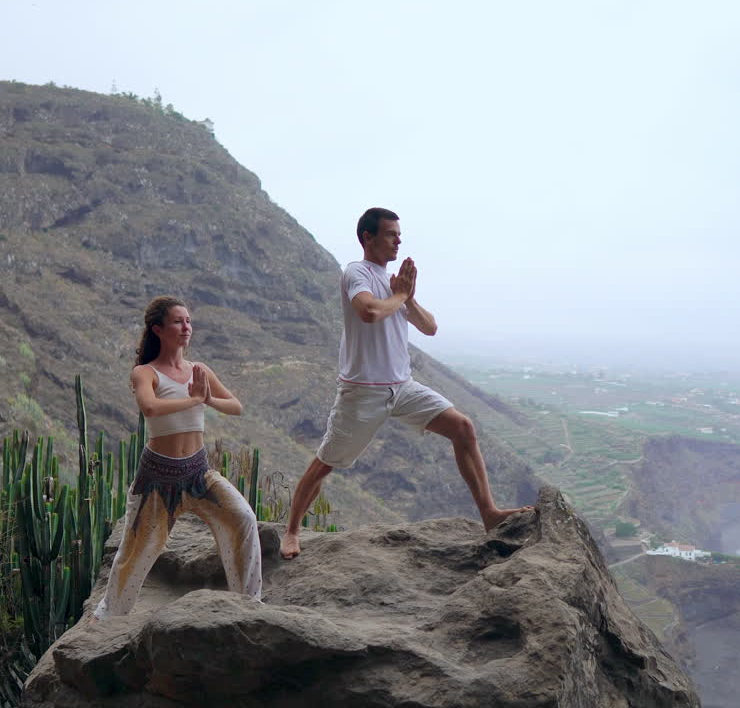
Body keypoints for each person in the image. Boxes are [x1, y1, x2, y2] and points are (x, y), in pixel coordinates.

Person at [280, 207, 532, 559]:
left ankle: (489, 513)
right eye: (390, 234)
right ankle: (291, 531)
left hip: (403, 387)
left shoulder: (395, 285)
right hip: (362, 392)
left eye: (400, 235)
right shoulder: (358, 272)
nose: (398, 240)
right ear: (368, 238)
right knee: (325, 463)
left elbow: (429, 327)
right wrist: (399, 296)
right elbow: (368, 312)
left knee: (463, 428)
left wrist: (408, 298)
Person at [92, 296, 261, 619]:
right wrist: (193, 399)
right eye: (177, 322)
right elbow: (150, 407)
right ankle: (109, 618)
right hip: (158, 477)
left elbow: (236, 406)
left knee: (243, 519)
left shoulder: (199, 371)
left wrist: (207, 398)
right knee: (134, 555)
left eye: (188, 321)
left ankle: (251, 605)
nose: (186, 327)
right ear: (158, 329)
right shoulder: (145, 373)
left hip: (198, 472)